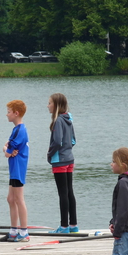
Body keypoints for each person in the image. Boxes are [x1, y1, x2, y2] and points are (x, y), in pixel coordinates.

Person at [0, 100, 30, 243]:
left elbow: (7, 151)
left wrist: (5, 148)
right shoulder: (16, 129)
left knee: (19, 199)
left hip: (18, 169)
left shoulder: (20, 130)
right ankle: (13, 231)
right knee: (10, 199)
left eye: (9, 112)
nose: (7, 114)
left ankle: (24, 232)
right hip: (13, 169)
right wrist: (8, 149)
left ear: (16, 113)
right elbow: (9, 150)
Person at [46, 93, 78, 234]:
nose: (48, 106)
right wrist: (67, 151)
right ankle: (73, 225)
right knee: (70, 192)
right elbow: (73, 141)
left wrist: (49, 154)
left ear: (56, 105)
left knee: (62, 194)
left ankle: (63, 227)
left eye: (49, 103)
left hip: (59, 161)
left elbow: (57, 141)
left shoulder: (58, 121)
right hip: (70, 159)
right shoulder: (68, 118)